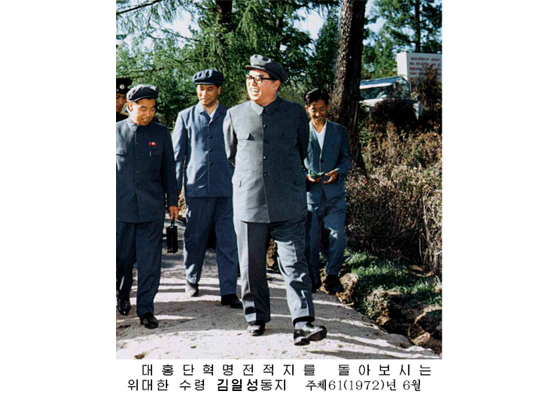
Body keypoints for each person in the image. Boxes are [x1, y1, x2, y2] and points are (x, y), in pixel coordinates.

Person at [223, 55, 327, 346]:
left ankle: (303, 322)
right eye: (249, 78)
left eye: (260, 79)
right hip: (249, 201)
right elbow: (232, 155)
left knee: (295, 264)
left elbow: (302, 148)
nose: (252, 83)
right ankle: (256, 317)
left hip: (288, 202)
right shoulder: (234, 114)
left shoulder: (295, 114)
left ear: (276, 84)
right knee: (251, 265)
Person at [172, 69, 242, 308]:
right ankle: (191, 279)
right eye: (200, 89)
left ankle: (228, 290)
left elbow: (240, 153)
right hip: (197, 188)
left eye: (209, 89)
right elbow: (177, 156)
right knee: (195, 238)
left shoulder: (231, 115)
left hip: (227, 189)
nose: (204, 93)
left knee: (228, 240)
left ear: (218, 90)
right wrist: (175, 191)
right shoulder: (185, 117)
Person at [116, 84, 179, 329]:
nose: (148, 114)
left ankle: (146, 309)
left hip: (151, 208)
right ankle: (122, 295)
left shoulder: (161, 133)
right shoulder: (114, 132)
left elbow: (169, 170)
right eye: (143, 108)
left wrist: (172, 202)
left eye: (152, 109)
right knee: (122, 259)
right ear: (130, 106)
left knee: (149, 261)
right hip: (120, 208)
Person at [303, 89, 352, 294]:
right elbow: (293, 162)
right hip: (311, 196)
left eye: (322, 109)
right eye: (314, 109)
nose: (318, 113)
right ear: (307, 109)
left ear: (328, 108)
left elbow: (347, 160)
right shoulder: (301, 132)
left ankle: (332, 276)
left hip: (335, 195)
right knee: (311, 241)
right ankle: (313, 278)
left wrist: (338, 172)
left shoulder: (339, 132)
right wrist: (306, 175)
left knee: (338, 235)